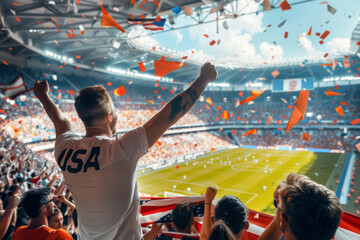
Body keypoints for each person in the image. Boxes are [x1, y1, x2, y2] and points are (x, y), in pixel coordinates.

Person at [33, 62, 218, 240]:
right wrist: (203, 80)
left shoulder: (64, 148)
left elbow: (60, 120)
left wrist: (43, 97)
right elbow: (168, 116)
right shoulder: (120, 148)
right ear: (108, 117)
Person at [258, 173, 342, 240]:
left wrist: (281, 207)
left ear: (282, 221)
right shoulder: (325, 229)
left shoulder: (283, 220)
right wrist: (282, 209)